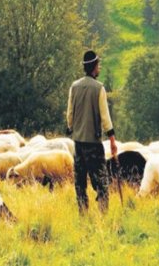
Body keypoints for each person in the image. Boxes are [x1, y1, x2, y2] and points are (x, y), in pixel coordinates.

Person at [66, 50, 118, 214]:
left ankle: (83, 214)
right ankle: (104, 215)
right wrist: (112, 139)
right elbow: (105, 117)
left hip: (78, 144)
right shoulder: (99, 88)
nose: (99, 67)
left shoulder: (74, 87)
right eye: (98, 65)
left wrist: (72, 128)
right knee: (101, 182)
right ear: (94, 67)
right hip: (94, 145)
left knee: (80, 182)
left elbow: (70, 114)